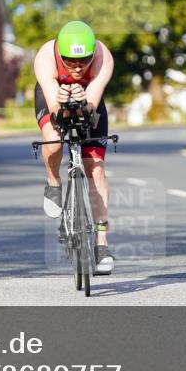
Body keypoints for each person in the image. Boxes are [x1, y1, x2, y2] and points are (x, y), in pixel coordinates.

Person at [33, 20, 115, 275]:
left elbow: (92, 107)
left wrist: (83, 103)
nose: (78, 67)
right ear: (59, 54)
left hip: (89, 97)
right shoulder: (45, 58)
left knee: (96, 169)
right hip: (53, 96)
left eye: (83, 60)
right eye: (70, 61)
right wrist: (61, 101)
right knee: (54, 139)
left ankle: (102, 245)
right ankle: (53, 181)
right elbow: (56, 112)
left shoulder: (103, 57)